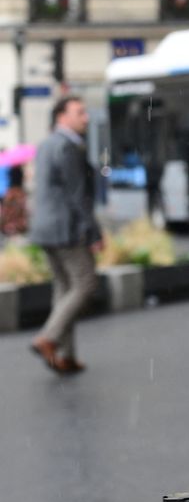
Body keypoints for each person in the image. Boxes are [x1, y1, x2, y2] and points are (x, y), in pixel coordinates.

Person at [27, 96, 102, 374]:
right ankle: (48, 337)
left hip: (44, 228)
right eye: (79, 113)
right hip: (66, 229)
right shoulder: (68, 147)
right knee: (85, 284)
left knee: (63, 289)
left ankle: (67, 356)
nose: (86, 118)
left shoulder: (46, 144)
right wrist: (94, 232)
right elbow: (77, 195)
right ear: (62, 117)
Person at [1, 164, 29, 237]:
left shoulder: (8, 167)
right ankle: (14, 226)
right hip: (13, 191)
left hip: (9, 191)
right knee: (15, 210)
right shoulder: (14, 169)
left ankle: (10, 226)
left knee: (9, 211)